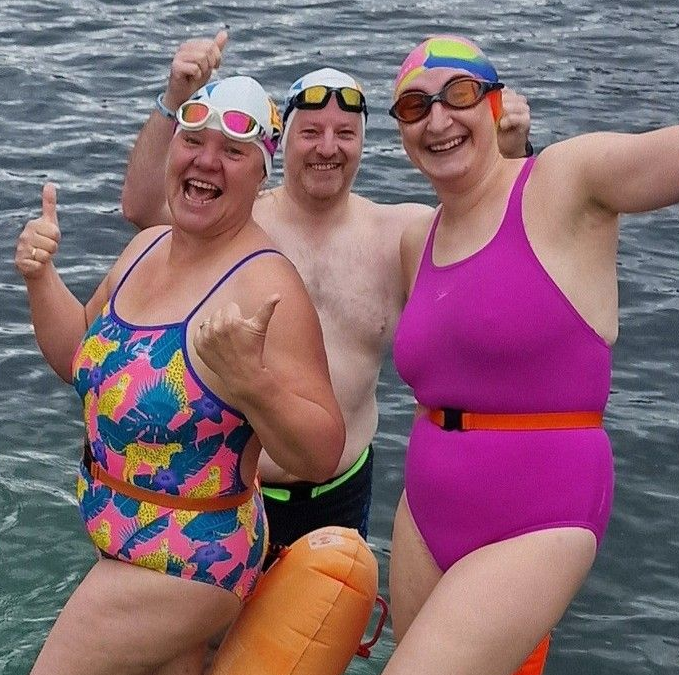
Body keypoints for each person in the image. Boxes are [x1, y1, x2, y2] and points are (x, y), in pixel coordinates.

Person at [120, 32, 533, 550]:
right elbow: (143, 209)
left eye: (346, 134)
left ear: (363, 144)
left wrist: (508, 154)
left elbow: (493, 254)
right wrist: (177, 95)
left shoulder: (399, 234)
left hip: (341, 494)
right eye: (311, 132)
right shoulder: (235, 223)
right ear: (281, 144)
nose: (328, 148)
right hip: (233, 491)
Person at [18, 75, 344, 674]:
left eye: (233, 151)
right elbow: (77, 357)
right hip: (119, 539)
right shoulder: (145, 248)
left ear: (261, 172)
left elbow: (322, 453)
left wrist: (253, 385)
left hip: (193, 560)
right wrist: (41, 279)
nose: (207, 161)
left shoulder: (265, 284)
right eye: (193, 141)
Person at [383, 35, 679, 675]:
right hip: (426, 511)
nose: (437, 119)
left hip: (544, 511)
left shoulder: (563, 182)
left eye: (459, 94)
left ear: (494, 105)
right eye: (413, 106)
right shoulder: (418, 239)